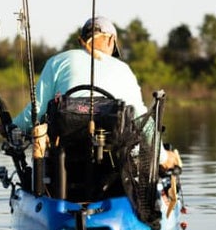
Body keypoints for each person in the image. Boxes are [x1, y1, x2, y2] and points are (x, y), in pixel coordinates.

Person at [13, 15, 179, 170]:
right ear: (111, 40)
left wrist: (12, 127)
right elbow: (142, 120)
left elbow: (36, 111)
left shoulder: (57, 61)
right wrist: (164, 158)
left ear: (82, 40)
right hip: (114, 167)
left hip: (63, 165)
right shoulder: (123, 70)